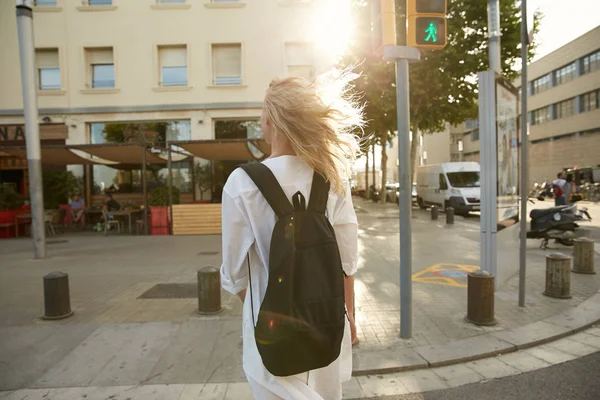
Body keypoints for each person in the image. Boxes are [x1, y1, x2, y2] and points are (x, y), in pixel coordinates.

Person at [220, 73, 362, 400]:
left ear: (269, 121)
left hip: (272, 342)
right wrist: (348, 314)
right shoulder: (331, 178)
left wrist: (277, 308)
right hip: (325, 328)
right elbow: (347, 261)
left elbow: (235, 276)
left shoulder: (241, 184)